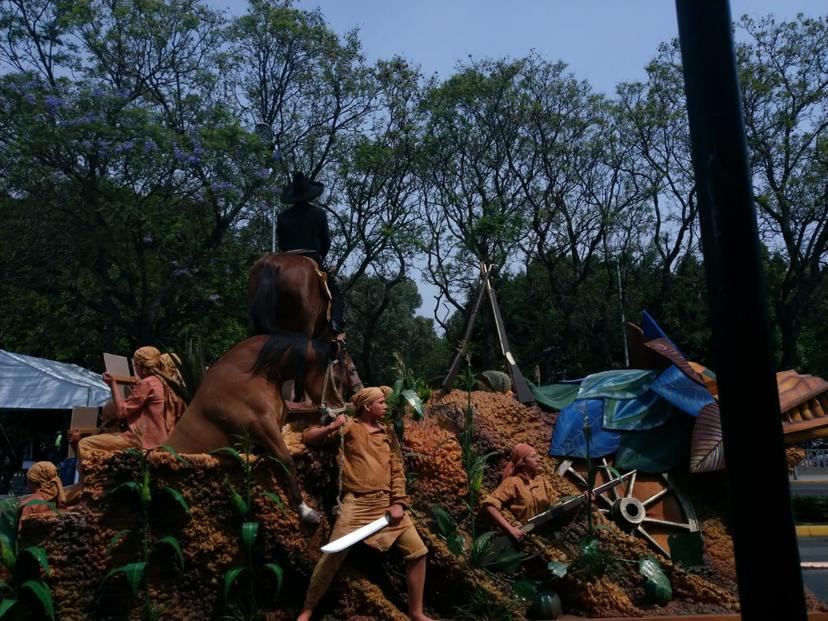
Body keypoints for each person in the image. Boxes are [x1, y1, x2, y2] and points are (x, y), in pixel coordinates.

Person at [296, 386, 434, 621]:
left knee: (418, 552)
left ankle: (416, 612)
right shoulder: (349, 427)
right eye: (381, 402)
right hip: (357, 504)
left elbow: (398, 469)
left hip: (387, 505)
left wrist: (398, 501)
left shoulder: (388, 433)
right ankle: (307, 610)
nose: (386, 406)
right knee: (333, 555)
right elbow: (308, 437)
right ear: (367, 406)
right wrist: (332, 426)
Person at [74, 346, 182, 479]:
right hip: (163, 439)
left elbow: (121, 412)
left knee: (85, 444)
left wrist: (112, 384)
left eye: (134, 365)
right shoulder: (166, 383)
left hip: (140, 440)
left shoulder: (148, 383)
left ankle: (88, 482)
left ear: (140, 366)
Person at [277, 171, 345, 336]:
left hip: (288, 258)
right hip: (312, 257)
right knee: (336, 295)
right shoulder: (319, 214)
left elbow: (282, 244)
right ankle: (335, 323)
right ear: (309, 194)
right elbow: (326, 241)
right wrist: (320, 258)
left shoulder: (283, 216)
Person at [481, 443, 559, 543]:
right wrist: (511, 529)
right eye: (533, 456)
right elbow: (489, 505)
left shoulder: (543, 482)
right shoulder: (512, 482)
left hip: (547, 538)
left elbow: (557, 504)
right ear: (522, 461)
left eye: (537, 456)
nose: (538, 459)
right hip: (524, 539)